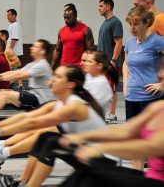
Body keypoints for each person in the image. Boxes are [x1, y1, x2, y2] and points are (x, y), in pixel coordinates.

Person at [7, 50, 117, 187]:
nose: (83, 63)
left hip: (99, 153)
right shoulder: (88, 80)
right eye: (83, 60)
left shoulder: (99, 85)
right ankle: (22, 178)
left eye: (88, 61)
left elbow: (33, 120)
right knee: (45, 137)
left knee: (47, 138)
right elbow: (31, 117)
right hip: (82, 137)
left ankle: (7, 156)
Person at [55, 58, 164, 186]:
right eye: (161, 68)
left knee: (94, 177)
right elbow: (126, 130)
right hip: (151, 178)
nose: (160, 74)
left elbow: (151, 147)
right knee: (87, 173)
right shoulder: (157, 107)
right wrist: (83, 136)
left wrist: (101, 148)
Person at [0, 65, 106, 167]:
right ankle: (1, 147)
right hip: (80, 143)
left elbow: (34, 122)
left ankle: (3, 152)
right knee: (45, 133)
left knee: (45, 134)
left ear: (70, 84)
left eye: (58, 77)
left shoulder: (74, 105)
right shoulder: (60, 103)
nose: (51, 80)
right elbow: (28, 117)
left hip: (102, 154)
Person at [0, 39, 55, 122]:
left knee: (5, 94)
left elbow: (19, 76)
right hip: (35, 95)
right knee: (3, 92)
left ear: (42, 51)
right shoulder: (33, 64)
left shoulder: (42, 65)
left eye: (36, 47)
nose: (31, 48)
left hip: (43, 100)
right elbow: (15, 72)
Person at [123, 6, 164, 169]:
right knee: (135, 141)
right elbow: (126, 63)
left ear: (146, 23)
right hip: (131, 96)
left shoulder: (157, 41)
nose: (132, 28)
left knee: (151, 141)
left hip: (150, 97)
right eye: (130, 24)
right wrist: (125, 82)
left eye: (136, 24)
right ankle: (137, 176)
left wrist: (162, 84)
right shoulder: (129, 43)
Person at [97, 0, 123, 123]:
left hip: (111, 63)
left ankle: (112, 115)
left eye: (101, 6)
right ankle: (101, 113)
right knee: (103, 88)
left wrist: (113, 60)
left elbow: (119, 42)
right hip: (102, 63)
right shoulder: (105, 23)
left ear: (108, 7)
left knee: (111, 89)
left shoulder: (115, 22)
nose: (99, 8)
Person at [51, 3, 94, 70]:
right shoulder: (61, 31)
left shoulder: (85, 30)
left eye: (68, 18)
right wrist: (52, 68)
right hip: (64, 69)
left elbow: (90, 51)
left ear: (75, 16)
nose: (66, 20)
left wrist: (86, 69)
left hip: (78, 69)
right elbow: (57, 51)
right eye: (64, 18)